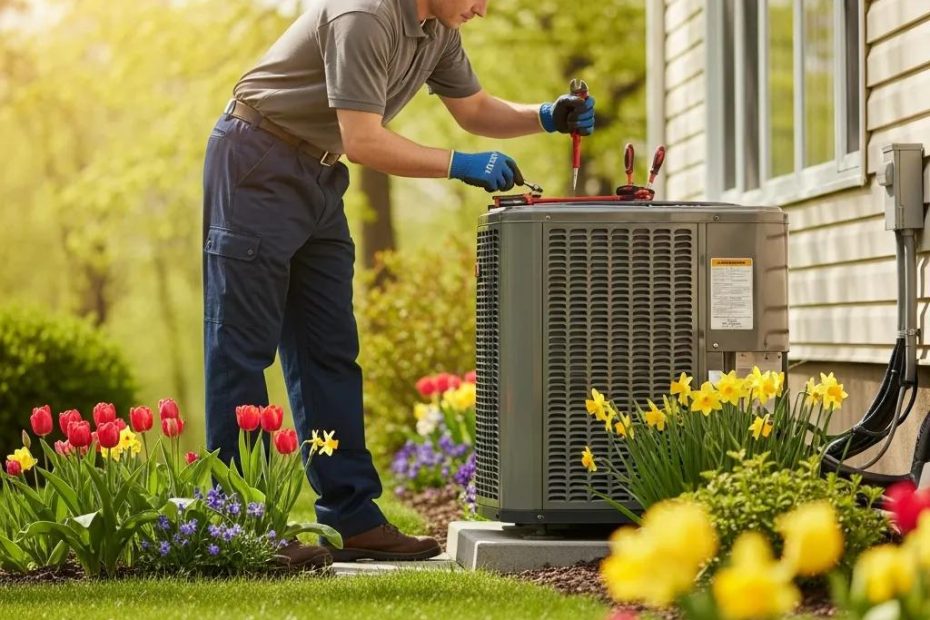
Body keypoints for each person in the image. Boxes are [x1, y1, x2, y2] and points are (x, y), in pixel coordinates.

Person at [201, 0, 596, 567]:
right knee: (242, 346)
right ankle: (238, 526)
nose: (482, 9)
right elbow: (363, 140)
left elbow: (476, 108)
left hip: (317, 172)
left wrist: (546, 115)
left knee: (329, 349)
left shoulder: (436, 27)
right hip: (257, 160)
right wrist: (460, 164)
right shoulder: (363, 15)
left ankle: (354, 516)